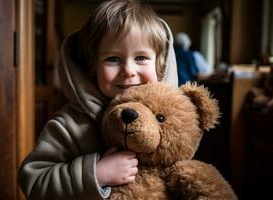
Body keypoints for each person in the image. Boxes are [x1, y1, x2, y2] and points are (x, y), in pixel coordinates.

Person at [18, 0, 178, 199]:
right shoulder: (69, 125)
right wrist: (96, 173)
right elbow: (34, 181)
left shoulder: (172, 121)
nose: (128, 70)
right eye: (113, 59)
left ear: (160, 64)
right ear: (93, 68)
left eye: (141, 58)